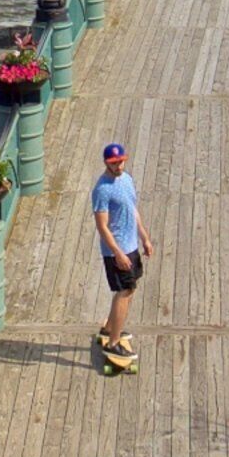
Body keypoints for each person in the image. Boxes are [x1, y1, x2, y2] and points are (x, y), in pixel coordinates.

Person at [88, 142, 151, 373]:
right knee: (124, 291)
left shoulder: (127, 179)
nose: (119, 166)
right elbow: (102, 227)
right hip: (117, 251)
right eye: (114, 163)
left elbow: (132, 209)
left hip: (132, 245)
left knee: (129, 290)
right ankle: (113, 344)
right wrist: (118, 253)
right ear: (106, 163)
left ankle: (111, 328)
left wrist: (144, 237)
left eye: (121, 161)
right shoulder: (102, 189)